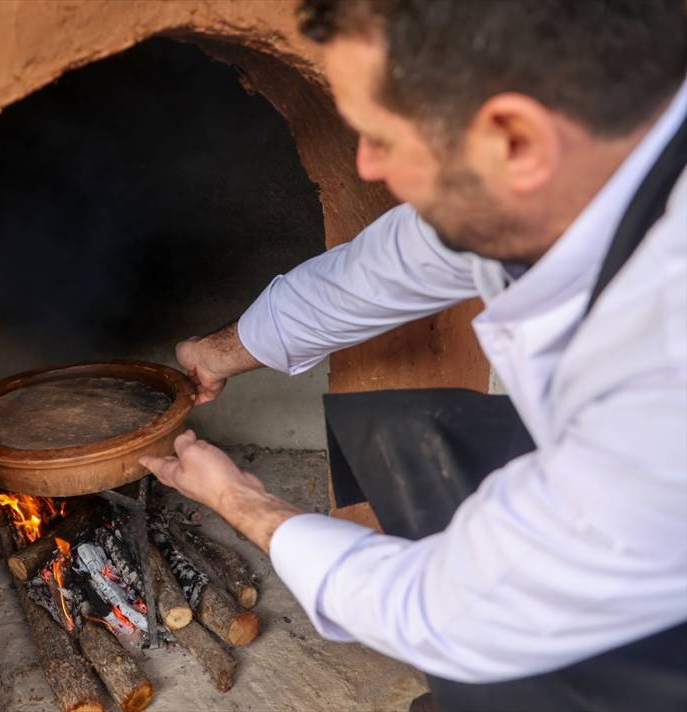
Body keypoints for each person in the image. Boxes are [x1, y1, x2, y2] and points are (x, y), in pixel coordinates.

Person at [137, 1, 687, 710]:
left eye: (380, 135)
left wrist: (241, 501)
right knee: (418, 438)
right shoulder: (592, 156)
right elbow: (392, 264)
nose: (365, 161)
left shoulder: (661, 372)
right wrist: (220, 352)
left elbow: (448, 614)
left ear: (515, 139)